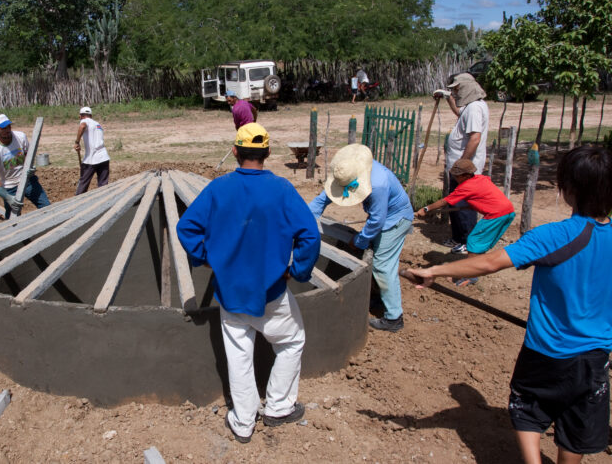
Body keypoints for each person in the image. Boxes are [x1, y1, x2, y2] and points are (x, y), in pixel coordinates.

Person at [406, 146, 612, 464]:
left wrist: (434, 270)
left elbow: (489, 263)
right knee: (577, 422)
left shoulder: (555, 235)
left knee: (529, 407)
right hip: (596, 358)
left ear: (567, 189)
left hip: (548, 351)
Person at [177, 123, 320, 444]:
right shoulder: (282, 189)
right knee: (291, 342)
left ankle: (243, 423)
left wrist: (209, 259)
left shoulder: (218, 188)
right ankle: (279, 407)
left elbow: (186, 228)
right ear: (268, 153)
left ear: (236, 152)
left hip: (230, 293)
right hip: (271, 291)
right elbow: (310, 235)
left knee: (239, 355)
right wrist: (297, 271)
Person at [308, 144, 413, 332]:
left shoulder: (378, 184)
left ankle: (394, 318)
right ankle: (377, 296)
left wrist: (359, 241)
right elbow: (322, 200)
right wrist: (305, 221)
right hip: (382, 217)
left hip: (395, 220)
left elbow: (377, 221)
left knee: (382, 266)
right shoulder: (349, 171)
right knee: (375, 258)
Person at [415, 158, 515, 286]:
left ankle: (471, 275)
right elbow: (485, 194)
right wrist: (475, 203)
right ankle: (477, 267)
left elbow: (444, 201)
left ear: (467, 175)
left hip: (496, 214)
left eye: (457, 176)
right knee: (479, 243)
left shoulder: (466, 187)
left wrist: (426, 209)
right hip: (507, 211)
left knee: (473, 241)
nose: (455, 178)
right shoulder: (480, 179)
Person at [434, 73, 489, 254]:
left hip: (464, 169)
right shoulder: (470, 107)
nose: (456, 92)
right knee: (455, 201)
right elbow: (459, 113)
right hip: (458, 168)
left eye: (457, 89)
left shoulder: (474, 108)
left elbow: (475, 138)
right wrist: (448, 98)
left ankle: (467, 242)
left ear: (466, 87)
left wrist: (462, 164)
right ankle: (458, 238)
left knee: (464, 205)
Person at [0, 114, 50, 218]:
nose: (7, 130)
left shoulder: (20, 137)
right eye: (3, 128)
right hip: (10, 187)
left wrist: (31, 167)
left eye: (8, 126)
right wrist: (6, 196)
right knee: (12, 219)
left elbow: (28, 156)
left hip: (28, 180)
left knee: (46, 207)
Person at [74, 106, 111, 195]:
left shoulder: (84, 121)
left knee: (83, 184)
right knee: (103, 186)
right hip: (104, 158)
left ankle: (77, 203)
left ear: (81, 116)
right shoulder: (98, 124)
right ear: (91, 115)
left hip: (91, 159)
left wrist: (77, 142)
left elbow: (82, 126)